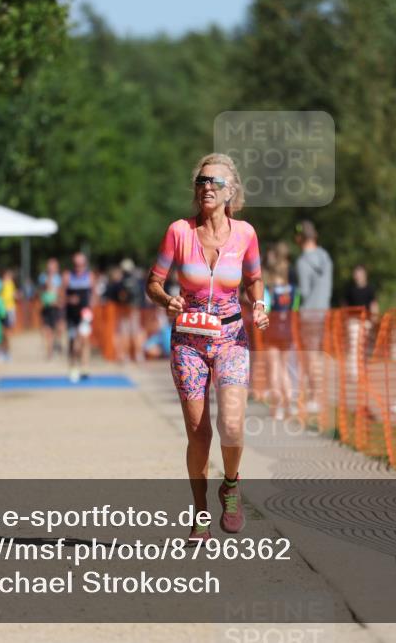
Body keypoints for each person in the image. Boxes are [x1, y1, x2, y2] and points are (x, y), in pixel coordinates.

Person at [145, 153, 268, 544]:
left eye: (214, 182)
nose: (206, 188)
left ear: (231, 190)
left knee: (231, 425)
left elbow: (254, 279)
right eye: (201, 181)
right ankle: (200, 515)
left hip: (231, 339)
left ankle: (230, 487)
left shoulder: (245, 234)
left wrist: (260, 305)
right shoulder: (179, 232)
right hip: (189, 343)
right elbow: (153, 282)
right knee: (199, 434)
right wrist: (167, 300)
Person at [294, 220, 332, 415]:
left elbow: (304, 292)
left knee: (310, 356)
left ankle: (314, 397)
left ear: (300, 238)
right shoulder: (325, 257)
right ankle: (317, 396)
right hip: (324, 311)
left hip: (309, 314)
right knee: (318, 354)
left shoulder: (302, 262)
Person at [263, 249, 297, 421]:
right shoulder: (292, 291)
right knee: (284, 369)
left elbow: (266, 310)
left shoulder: (269, 290)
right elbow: (295, 309)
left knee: (274, 370)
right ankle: (289, 403)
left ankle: (277, 409)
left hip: (272, 332)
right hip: (287, 332)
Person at [63, 252, 96, 381]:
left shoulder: (90, 276)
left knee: (84, 340)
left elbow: (93, 294)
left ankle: (85, 367)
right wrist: (69, 299)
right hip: (71, 314)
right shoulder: (67, 276)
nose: (79, 267)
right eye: (76, 265)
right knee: (73, 342)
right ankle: (72, 366)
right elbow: (61, 295)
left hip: (85, 315)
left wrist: (91, 307)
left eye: (81, 265)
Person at [38, 258, 63, 360]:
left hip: (56, 308)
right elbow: (41, 290)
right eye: (49, 267)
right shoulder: (43, 277)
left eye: (52, 267)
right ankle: (50, 352)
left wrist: (59, 302)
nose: (50, 269)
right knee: (46, 331)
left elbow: (60, 292)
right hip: (46, 307)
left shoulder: (58, 279)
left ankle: (56, 344)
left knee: (58, 328)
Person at [0, 268, 17, 361]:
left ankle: (7, 352)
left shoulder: (11, 284)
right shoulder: (1, 284)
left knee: (6, 333)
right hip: (2, 309)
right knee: (2, 333)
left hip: (9, 309)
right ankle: (3, 351)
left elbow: (14, 295)